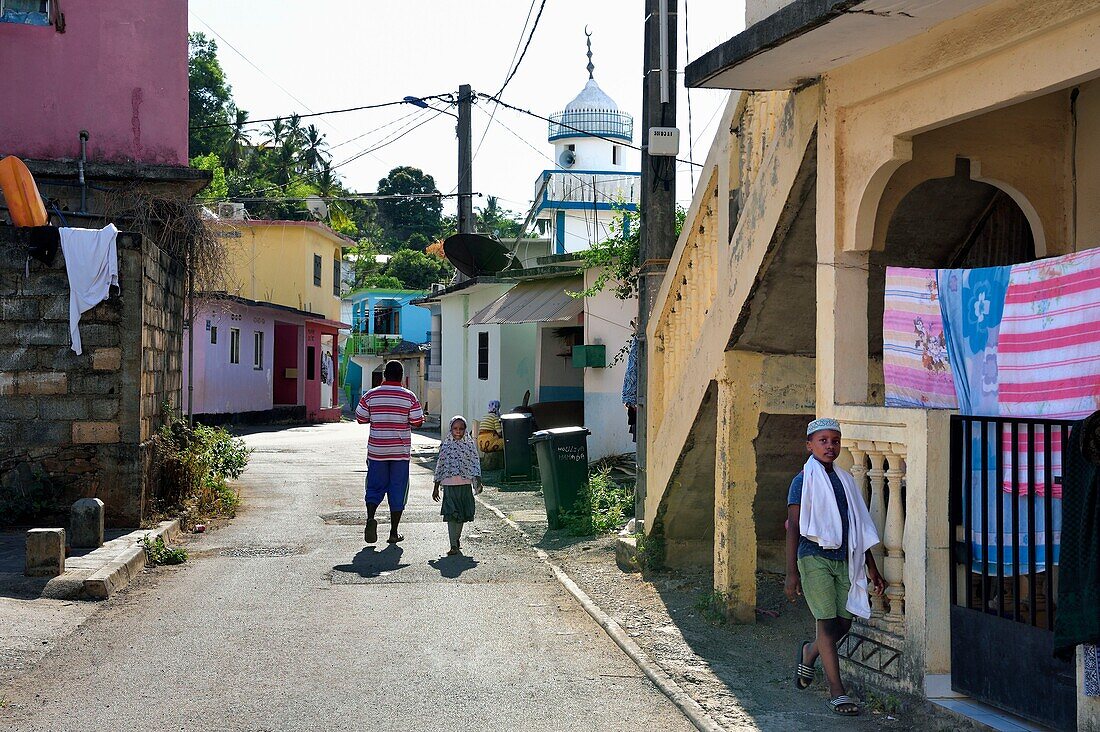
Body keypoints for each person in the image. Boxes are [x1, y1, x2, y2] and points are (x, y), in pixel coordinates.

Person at [785, 417, 884, 717]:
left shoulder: (846, 481)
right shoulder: (802, 481)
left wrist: (872, 567)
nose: (830, 446)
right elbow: (793, 528)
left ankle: (810, 652)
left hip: (845, 559)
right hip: (813, 557)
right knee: (826, 624)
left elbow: (858, 527)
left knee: (844, 623)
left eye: (835, 441)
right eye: (823, 441)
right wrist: (791, 573)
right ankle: (837, 692)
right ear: (810, 445)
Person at [355, 360, 424, 545]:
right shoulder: (409, 397)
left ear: (384, 375)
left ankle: (371, 518)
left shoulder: (371, 395)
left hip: (377, 451)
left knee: (374, 486)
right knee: (398, 489)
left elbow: (360, 418)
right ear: (401, 376)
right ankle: (393, 532)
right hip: (400, 453)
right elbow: (417, 421)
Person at [433, 416, 482, 555]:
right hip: (449, 485)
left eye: (461, 429)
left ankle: (456, 538)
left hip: (465, 484)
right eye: (455, 428)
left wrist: (478, 481)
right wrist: (436, 487)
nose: (458, 431)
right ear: (451, 429)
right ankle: (453, 545)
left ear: (465, 430)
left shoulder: (470, 445)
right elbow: (440, 466)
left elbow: (475, 464)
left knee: (461, 515)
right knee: (451, 515)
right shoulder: (446, 445)